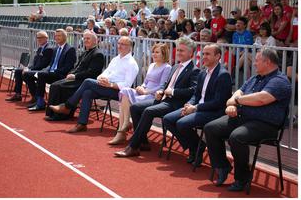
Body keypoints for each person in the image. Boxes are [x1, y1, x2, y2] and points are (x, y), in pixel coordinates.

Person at [204, 48, 291, 191]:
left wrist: (236, 101)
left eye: (257, 60)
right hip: (243, 118)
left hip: (266, 125)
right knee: (211, 128)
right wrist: (232, 102)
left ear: (267, 62)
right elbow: (238, 91)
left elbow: (261, 99)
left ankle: (242, 178)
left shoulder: (280, 81)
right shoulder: (255, 77)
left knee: (237, 137)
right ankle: (223, 166)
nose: (254, 64)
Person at [114, 37, 200, 157]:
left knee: (148, 111)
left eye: (182, 51)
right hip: (163, 99)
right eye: (178, 50)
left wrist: (173, 92)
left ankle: (133, 146)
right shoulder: (176, 66)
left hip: (175, 103)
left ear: (191, 53)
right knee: (135, 107)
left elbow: (193, 91)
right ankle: (143, 141)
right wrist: (161, 90)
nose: (179, 53)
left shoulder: (194, 70)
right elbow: (166, 83)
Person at [49, 36, 139, 133]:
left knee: (87, 81)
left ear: (130, 47)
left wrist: (110, 85)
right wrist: (101, 78)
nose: (119, 46)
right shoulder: (116, 59)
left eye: (123, 44)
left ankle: (67, 106)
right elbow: (106, 72)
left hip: (119, 92)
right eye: (119, 43)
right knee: (87, 93)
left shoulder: (132, 64)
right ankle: (82, 124)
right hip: (105, 86)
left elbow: (127, 85)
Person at [163, 44, 232, 166]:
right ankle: (196, 146)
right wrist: (188, 104)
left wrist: (195, 108)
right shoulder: (203, 73)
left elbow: (218, 102)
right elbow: (196, 94)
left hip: (212, 111)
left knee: (181, 123)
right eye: (203, 54)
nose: (204, 57)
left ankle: (196, 147)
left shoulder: (223, 75)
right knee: (167, 119)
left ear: (218, 56)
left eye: (208, 54)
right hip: (197, 108)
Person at [108, 43, 172, 145]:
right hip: (143, 92)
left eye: (157, 52)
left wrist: (146, 91)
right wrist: (141, 86)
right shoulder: (151, 65)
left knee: (128, 99)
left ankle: (122, 130)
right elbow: (145, 82)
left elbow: (161, 86)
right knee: (124, 91)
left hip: (153, 95)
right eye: (153, 52)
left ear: (164, 54)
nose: (154, 54)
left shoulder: (167, 67)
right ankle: (125, 123)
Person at [45, 30, 105, 121]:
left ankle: (62, 114)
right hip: (77, 78)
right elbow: (77, 67)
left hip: (85, 81)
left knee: (58, 86)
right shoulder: (85, 52)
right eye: (84, 38)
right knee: (55, 85)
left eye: (88, 38)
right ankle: (52, 114)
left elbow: (92, 73)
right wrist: (71, 73)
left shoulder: (98, 54)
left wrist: (75, 76)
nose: (85, 40)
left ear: (95, 41)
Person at [27, 29, 77, 111]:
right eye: (56, 36)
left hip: (61, 74)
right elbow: (51, 64)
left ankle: (40, 102)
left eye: (59, 36)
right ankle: (38, 99)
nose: (57, 38)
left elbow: (68, 66)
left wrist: (53, 71)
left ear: (65, 37)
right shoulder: (56, 48)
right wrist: (46, 70)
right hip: (52, 73)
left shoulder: (70, 49)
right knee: (35, 74)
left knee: (41, 75)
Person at [5, 31, 53, 102]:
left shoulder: (49, 49)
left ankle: (35, 96)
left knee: (27, 74)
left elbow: (43, 64)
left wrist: (30, 70)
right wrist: (28, 68)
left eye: (41, 38)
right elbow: (34, 63)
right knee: (18, 71)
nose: (39, 39)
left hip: (42, 70)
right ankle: (18, 94)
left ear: (46, 38)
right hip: (35, 69)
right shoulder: (40, 48)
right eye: (37, 38)